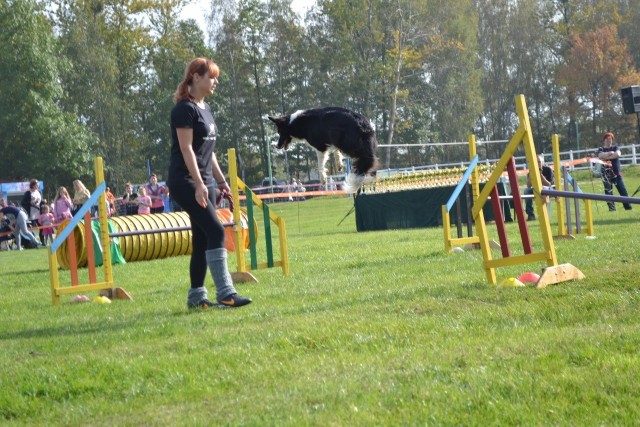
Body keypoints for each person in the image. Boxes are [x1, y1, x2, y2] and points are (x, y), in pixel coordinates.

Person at [168, 57, 251, 309]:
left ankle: (196, 298)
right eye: (211, 77)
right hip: (185, 181)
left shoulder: (205, 109)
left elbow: (208, 150)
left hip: (205, 182)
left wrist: (221, 180)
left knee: (202, 239)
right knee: (216, 231)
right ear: (195, 77)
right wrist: (199, 183)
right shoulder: (184, 109)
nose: (215, 82)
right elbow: (186, 149)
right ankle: (226, 292)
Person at [597, 131, 632, 211]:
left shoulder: (615, 147)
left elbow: (618, 154)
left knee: (623, 191)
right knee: (608, 192)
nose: (609, 141)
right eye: (607, 139)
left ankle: (628, 207)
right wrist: (610, 153)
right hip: (606, 175)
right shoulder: (600, 149)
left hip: (617, 173)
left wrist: (606, 156)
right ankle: (612, 209)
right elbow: (600, 156)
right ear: (604, 140)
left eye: (611, 139)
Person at [525, 154, 554, 221]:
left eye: (539, 162)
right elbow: (528, 185)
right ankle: (530, 215)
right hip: (536, 189)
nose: (537, 163)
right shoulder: (531, 171)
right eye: (536, 162)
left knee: (544, 189)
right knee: (526, 191)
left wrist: (540, 175)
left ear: (542, 162)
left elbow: (549, 184)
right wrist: (531, 174)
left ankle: (545, 215)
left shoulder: (548, 170)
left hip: (548, 189)